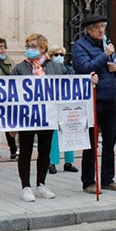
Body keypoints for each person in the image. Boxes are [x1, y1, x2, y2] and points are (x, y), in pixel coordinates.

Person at [72, 15, 116, 194]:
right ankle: (88, 181)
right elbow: (84, 68)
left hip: (110, 98)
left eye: (103, 27)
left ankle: (108, 178)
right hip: (93, 99)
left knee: (110, 141)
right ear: (88, 30)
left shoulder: (106, 44)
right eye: (97, 28)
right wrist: (105, 55)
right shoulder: (80, 46)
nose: (101, 30)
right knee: (92, 142)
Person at [11, 33, 60, 201]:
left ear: (43, 48)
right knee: (25, 151)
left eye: (34, 46)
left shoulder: (54, 66)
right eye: (28, 46)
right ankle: (25, 186)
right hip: (27, 116)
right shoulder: (20, 68)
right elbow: (12, 93)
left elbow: (67, 83)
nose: (30, 50)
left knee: (44, 151)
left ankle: (41, 184)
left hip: (48, 115)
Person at [40, 44, 78, 173]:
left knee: (69, 132)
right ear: (50, 56)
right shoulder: (45, 69)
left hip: (67, 105)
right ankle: (52, 162)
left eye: (62, 55)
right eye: (56, 54)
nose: (59, 57)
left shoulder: (69, 69)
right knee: (55, 135)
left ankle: (69, 161)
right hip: (53, 105)